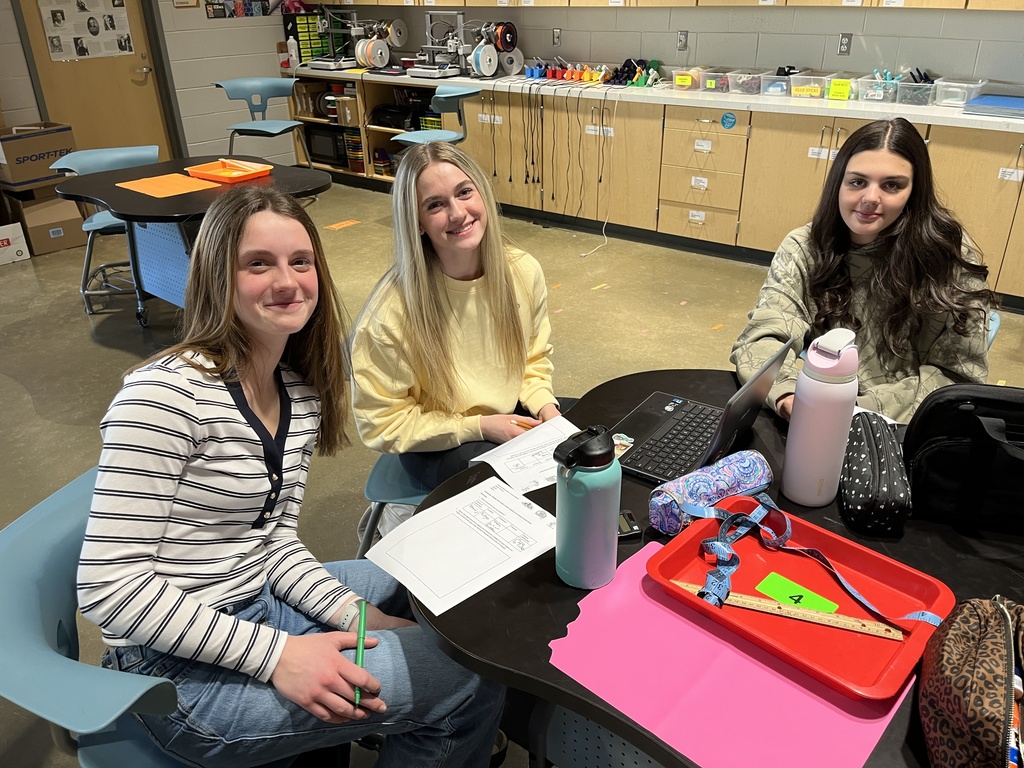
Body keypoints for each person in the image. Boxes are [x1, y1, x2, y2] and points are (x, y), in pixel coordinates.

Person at [77, 186, 505, 768]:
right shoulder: (164, 396)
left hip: (252, 606)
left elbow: (270, 545)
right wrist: (278, 655)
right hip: (171, 676)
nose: (287, 282)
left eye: (300, 262)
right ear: (216, 278)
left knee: (432, 588)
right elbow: (110, 589)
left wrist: (356, 616)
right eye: (258, 264)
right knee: (470, 678)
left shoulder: (296, 394)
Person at [731, 117, 996, 424]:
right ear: (838, 184)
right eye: (857, 182)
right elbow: (763, 339)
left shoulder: (949, 256)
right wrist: (789, 395)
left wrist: (853, 409)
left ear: (915, 191)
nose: (871, 198)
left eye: (892, 185)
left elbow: (958, 378)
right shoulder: (805, 247)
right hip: (816, 413)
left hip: (905, 424)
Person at [350, 142, 564, 493]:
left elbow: (532, 360)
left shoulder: (522, 271)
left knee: (589, 448)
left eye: (465, 192)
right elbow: (382, 423)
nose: (458, 213)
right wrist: (480, 427)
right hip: (439, 440)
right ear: (417, 222)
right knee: (522, 491)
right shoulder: (391, 313)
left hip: (506, 412)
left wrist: (546, 409)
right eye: (435, 205)